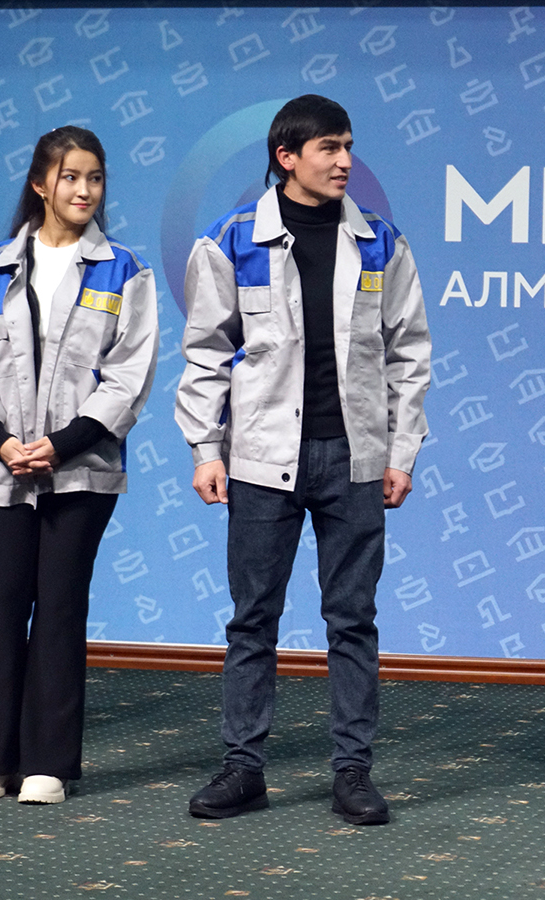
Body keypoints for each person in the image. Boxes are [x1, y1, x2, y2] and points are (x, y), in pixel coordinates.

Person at [175, 94, 431, 824]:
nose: (345, 160)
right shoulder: (232, 241)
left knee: (353, 621)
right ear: (286, 157)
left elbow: (409, 354)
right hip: (261, 459)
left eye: (348, 146)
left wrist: (402, 450)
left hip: (354, 458)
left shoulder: (381, 243)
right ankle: (242, 769)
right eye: (329, 148)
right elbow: (204, 354)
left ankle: (353, 772)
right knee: (252, 620)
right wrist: (205, 448)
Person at [0, 126, 160, 805]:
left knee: (61, 605)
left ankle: (48, 764)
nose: (84, 190)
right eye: (70, 177)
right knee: (5, 603)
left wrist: (63, 443)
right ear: (41, 184)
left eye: (95, 177)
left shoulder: (124, 270)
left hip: (81, 467)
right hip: (3, 467)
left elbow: (129, 373)